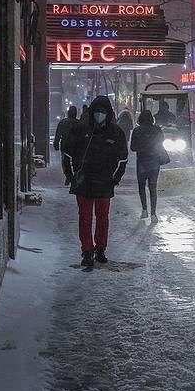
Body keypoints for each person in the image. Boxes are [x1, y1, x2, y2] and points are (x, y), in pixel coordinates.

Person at [61, 95, 128, 267]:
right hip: (85, 182)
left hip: (104, 182)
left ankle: (99, 249)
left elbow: (122, 158)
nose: (99, 115)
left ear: (108, 113)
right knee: (86, 217)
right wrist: (71, 176)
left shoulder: (115, 133)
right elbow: (67, 154)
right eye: (97, 112)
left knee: (101, 217)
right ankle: (88, 251)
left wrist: (115, 178)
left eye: (102, 112)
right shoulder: (80, 131)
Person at [130, 110, 165, 222]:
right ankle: (153, 214)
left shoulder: (137, 130)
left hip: (142, 161)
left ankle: (144, 210)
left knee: (141, 186)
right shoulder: (157, 130)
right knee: (153, 187)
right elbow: (161, 142)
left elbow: (132, 148)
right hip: (154, 161)